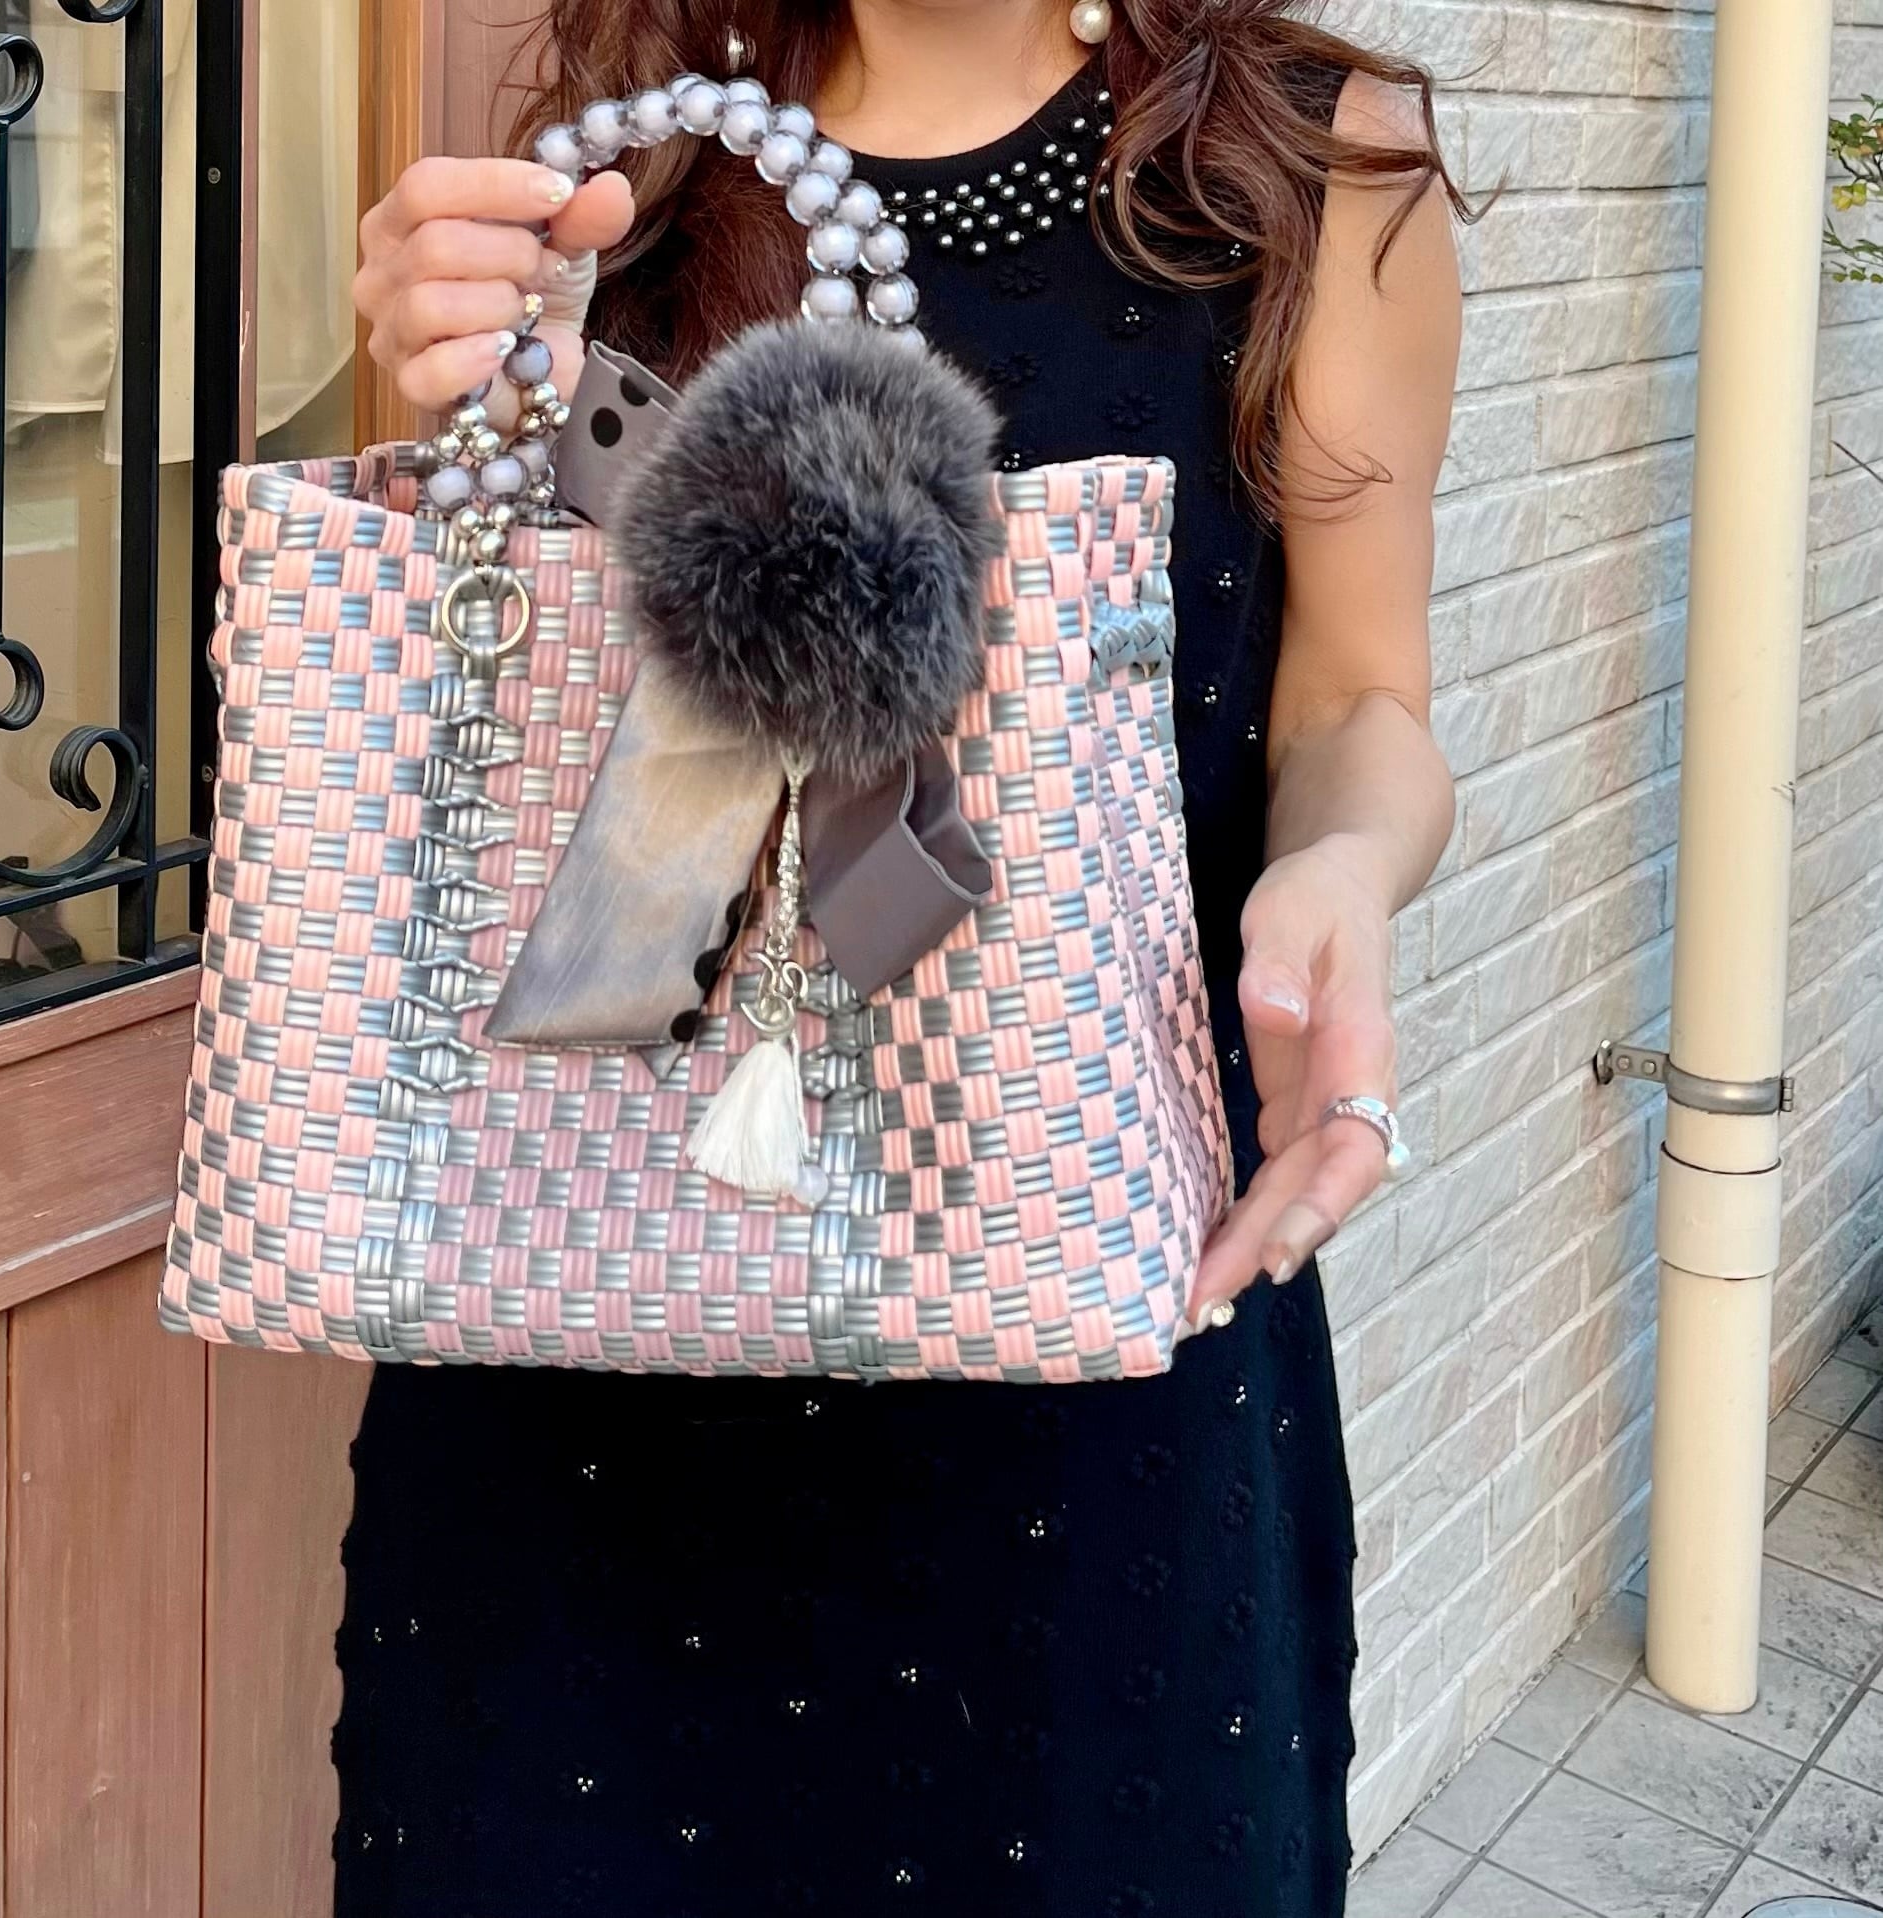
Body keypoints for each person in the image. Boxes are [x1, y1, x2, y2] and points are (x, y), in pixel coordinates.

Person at [340, 3, 1461, 1912]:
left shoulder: (1308, 162)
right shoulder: (645, 152)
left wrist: (1341, 870)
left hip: (1094, 1361)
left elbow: (1359, 694)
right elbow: (504, 685)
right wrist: (447, 366)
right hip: (582, 1368)